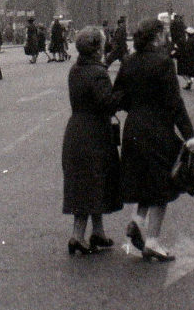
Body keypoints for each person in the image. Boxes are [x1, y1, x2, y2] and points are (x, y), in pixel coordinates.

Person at [113, 18, 194, 262]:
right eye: (163, 34)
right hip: (158, 127)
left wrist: (135, 106)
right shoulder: (163, 62)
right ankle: (152, 241)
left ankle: (137, 220)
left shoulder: (128, 61)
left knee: (143, 178)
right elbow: (174, 102)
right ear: (156, 36)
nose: (165, 38)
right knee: (162, 185)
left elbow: (119, 96)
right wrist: (189, 135)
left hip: (134, 127)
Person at [61, 27, 123, 255]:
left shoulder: (75, 70)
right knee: (90, 182)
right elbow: (108, 103)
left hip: (77, 129)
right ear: (97, 48)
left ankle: (98, 233)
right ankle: (77, 237)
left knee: (91, 181)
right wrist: (122, 91)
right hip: (94, 133)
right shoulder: (98, 73)